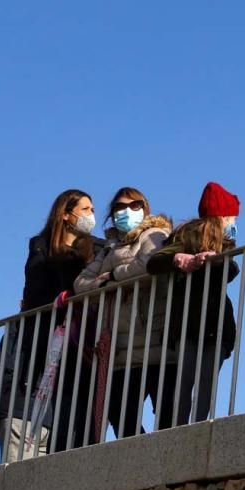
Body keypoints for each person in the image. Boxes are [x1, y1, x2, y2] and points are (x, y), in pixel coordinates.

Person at [0, 189, 103, 461]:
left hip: (77, 347)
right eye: (85, 210)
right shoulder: (41, 246)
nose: (91, 216)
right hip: (42, 348)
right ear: (65, 214)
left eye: (93, 210)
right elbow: (37, 291)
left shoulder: (97, 249)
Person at [74, 187, 173, 438]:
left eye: (134, 205)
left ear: (145, 208)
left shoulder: (155, 234)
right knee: (120, 417)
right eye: (119, 207)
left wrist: (115, 275)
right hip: (121, 351)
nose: (126, 211)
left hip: (158, 346)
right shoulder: (109, 248)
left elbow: (149, 264)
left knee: (169, 423)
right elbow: (81, 283)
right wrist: (104, 283)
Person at [145, 182, 239, 428]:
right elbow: (157, 261)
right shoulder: (188, 235)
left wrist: (215, 261)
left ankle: (188, 428)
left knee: (192, 381)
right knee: (193, 381)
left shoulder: (222, 243)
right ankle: (187, 429)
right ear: (223, 216)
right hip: (196, 320)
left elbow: (230, 271)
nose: (233, 223)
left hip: (204, 321)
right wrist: (181, 259)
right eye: (231, 217)